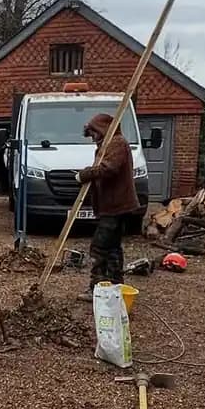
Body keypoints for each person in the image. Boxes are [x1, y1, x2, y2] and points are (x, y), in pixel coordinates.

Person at [75, 112, 139, 296]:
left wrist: (84, 174)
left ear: (102, 129)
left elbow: (108, 168)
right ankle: (114, 286)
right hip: (114, 206)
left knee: (99, 247)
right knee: (112, 247)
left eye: (94, 132)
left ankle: (97, 289)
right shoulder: (109, 144)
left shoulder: (117, 143)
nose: (93, 137)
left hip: (116, 206)